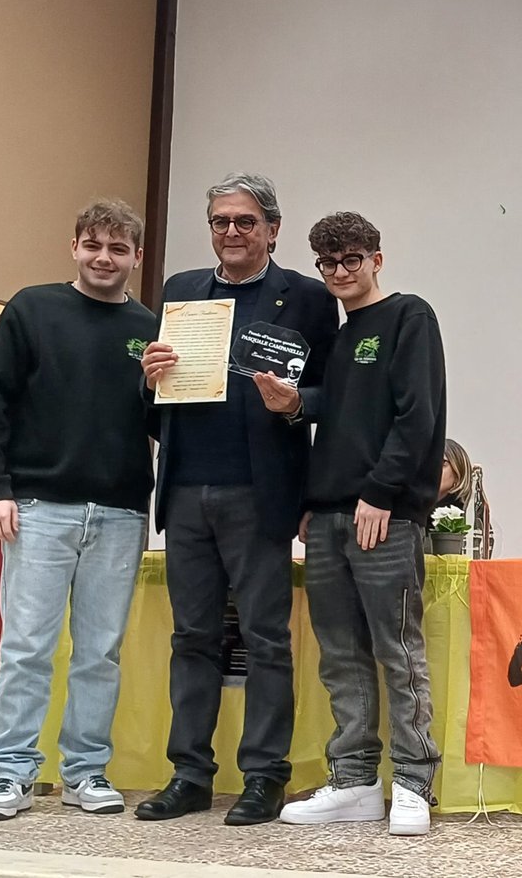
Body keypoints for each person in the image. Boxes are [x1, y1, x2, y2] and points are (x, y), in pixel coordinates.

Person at [136, 173, 339, 826]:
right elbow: (155, 403)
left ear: (272, 230)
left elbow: (334, 394)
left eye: (245, 221)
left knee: (265, 639)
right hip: (186, 488)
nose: (231, 232)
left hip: (261, 493)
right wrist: (149, 379)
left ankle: (264, 776)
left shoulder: (307, 298)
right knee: (192, 637)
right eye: (220, 221)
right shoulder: (181, 290)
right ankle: (190, 774)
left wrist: (296, 403)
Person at [252, 211, 446, 836]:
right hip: (330, 516)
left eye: (352, 260)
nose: (339, 272)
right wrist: (295, 410)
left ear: (376, 260)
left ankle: (413, 782)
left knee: (398, 651)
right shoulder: (337, 338)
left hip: (384, 516)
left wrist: (381, 493)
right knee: (340, 655)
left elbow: (417, 417)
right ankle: (357, 781)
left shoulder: (410, 316)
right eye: (328, 263)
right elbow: (338, 416)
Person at [0, 201, 158, 821]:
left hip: (121, 512)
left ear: (136, 257)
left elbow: (161, 423)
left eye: (118, 249)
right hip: (38, 507)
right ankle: (10, 773)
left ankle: (85, 771)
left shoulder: (151, 327)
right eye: (93, 245)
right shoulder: (31, 308)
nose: (104, 258)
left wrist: (160, 388)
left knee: (99, 653)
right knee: (27, 647)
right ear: (74, 247)